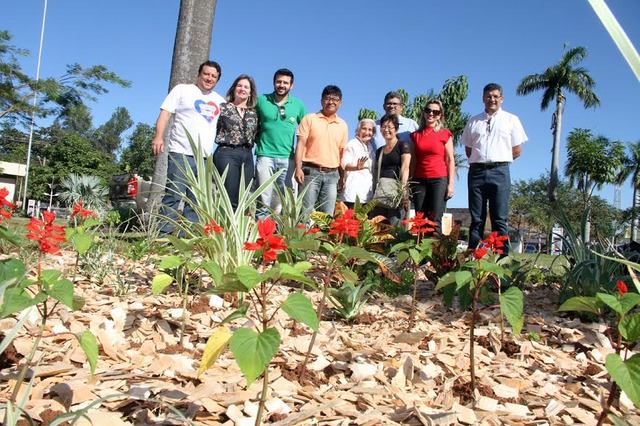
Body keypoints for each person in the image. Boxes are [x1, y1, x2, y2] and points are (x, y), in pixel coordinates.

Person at [151, 60, 225, 234]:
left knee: (197, 200)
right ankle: (162, 236)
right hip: (181, 152)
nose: (209, 78)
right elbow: (165, 114)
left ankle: (189, 237)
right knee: (174, 195)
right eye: (206, 74)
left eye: (213, 76)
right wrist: (158, 137)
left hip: (205, 158)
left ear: (217, 80)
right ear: (199, 74)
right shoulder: (182, 90)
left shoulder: (219, 101)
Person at [462, 83, 528, 254]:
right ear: (483, 99)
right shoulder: (473, 121)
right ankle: (472, 257)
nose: (492, 99)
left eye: (495, 96)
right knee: (477, 218)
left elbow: (517, 150)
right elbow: (468, 149)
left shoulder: (511, 120)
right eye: (488, 96)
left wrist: (498, 159)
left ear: (501, 99)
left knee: (499, 219)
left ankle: (501, 260)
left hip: (500, 172)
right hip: (476, 172)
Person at [255, 69, 307, 216]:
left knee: (283, 200)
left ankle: (280, 233)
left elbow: (306, 130)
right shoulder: (261, 100)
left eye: (285, 82)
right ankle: (260, 233)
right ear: (273, 82)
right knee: (263, 197)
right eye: (279, 81)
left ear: (292, 85)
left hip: (287, 158)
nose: (281, 85)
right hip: (265, 155)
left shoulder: (298, 104)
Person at [294, 85, 348, 217]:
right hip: (310, 172)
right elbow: (300, 144)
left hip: (332, 175)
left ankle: (322, 238)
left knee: (327, 216)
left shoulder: (342, 125)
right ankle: (303, 237)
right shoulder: (309, 118)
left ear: (340, 103)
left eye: (335, 99)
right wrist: (297, 167)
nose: (331, 102)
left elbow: (341, 153)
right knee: (305, 213)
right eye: (328, 98)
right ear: (321, 100)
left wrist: (343, 176)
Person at [213, 74, 259, 211]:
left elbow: (258, 133)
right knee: (229, 194)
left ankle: (239, 228)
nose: (242, 89)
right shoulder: (223, 108)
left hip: (247, 155)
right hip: (227, 153)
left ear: (251, 92)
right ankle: (225, 228)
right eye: (239, 85)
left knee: (243, 196)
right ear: (234, 88)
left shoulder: (254, 113)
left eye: (246, 87)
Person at [410, 99, 455, 233]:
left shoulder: (445, 133)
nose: (431, 114)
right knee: (421, 220)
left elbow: (450, 159)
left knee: (435, 221)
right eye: (428, 110)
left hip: (438, 179)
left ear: (440, 115)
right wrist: (409, 182)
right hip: (419, 180)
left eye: (435, 112)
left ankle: (435, 253)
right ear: (424, 113)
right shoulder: (416, 135)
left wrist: (451, 183)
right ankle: (420, 252)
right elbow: (413, 160)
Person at [371, 113, 411, 226]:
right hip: (382, 192)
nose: (386, 130)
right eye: (383, 127)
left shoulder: (403, 145)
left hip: (396, 191)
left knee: (395, 225)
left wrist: (403, 190)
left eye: (390, 127)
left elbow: (405, 167)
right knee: (379, 226)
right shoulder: (380, 150)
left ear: (396, 129)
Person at [341, 118, 376, 207]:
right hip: (353, 194)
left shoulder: (371, 147)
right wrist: (356, 167)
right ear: (358, 130)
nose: (367, 132)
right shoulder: (352, 144)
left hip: (367, 194)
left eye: (370, 130)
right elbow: (345, 163)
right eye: (364, 129)